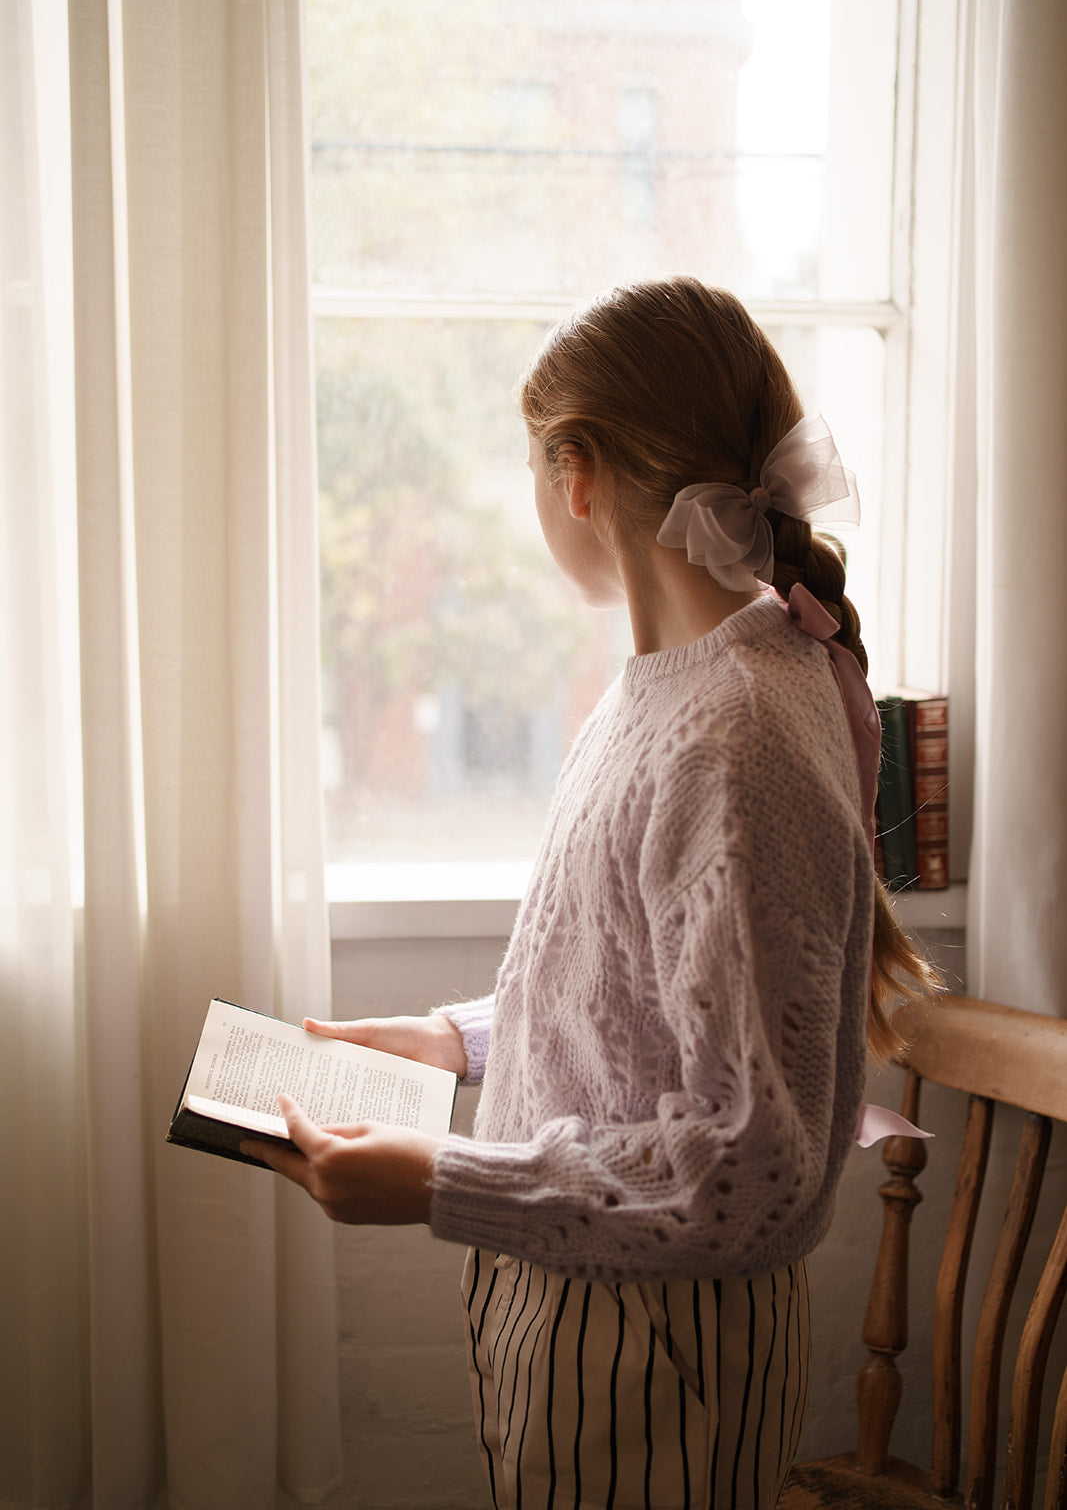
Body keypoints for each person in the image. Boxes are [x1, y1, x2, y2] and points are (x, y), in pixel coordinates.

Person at [243, 278, 941, 1510]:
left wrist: (437, 1179)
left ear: (576, 475)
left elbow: (750, 1167)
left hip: (652, 1353)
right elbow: (627, 985)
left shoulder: (734, 733)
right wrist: (448, 1041)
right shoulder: (663, 690)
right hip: (584, 1315)